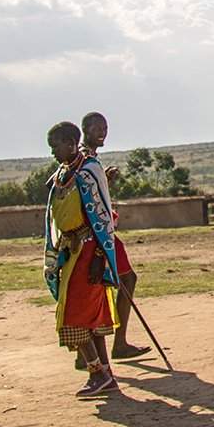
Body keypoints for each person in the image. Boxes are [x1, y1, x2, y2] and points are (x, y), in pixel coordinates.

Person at [42, 120, 122, 398]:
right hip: (72, 250)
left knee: (74, 316)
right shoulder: (64, 174)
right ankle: (105, 375)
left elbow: (102, 216)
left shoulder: (88, 172)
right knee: (86, 316)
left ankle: (97, 373)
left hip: (89, 250)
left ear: (70, 143)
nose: (53, 153)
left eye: (56, 147)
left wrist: (100, 256)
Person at [81, 111, 147, 359]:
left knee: (98, 287)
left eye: (105, 127)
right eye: (97, 127)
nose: (103, 132)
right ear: (86, 129)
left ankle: (87, 352)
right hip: (98, 233)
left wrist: (105, 180)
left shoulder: (88, 158)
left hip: (98, 231)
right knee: (125, 280)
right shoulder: (84, 158)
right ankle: (119, 344)